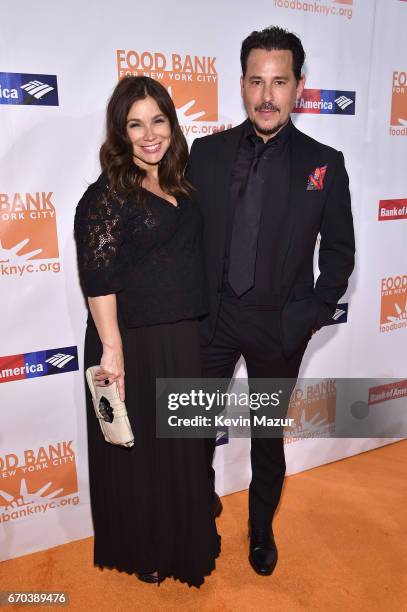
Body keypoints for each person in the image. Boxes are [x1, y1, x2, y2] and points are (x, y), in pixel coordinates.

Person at [187, 26, 355, 576]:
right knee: (190, 431)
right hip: (211, 320)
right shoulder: (206, 154)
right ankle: (195, 512)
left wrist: (305, 319)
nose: (266, 95)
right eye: (256, 81)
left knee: (265, 441)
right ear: (241, 84)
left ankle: (260, 530)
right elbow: (181, 237)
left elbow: (339, 253)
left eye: (279, 82)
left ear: (299, 87)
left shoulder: (324, 163)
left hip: (276, 327)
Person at [74, 76, 220, 587]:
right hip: (136, 341)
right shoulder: (108, 194)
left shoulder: (176, 182)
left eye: (157, 120)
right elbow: (98, 276)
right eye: (135, 124)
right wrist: (112, 352)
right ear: (120, 132)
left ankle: (183, 537)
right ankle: (151, 548)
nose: (149, 134)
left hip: (182, 338)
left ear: (171, 124)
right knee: (146, 458)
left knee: (181, 450)